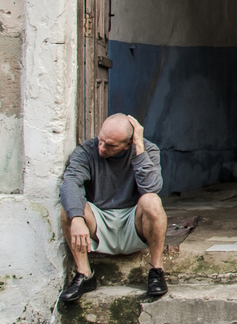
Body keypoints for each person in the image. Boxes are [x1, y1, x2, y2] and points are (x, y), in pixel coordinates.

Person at [57, 113, 169, 304]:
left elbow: (151, 188)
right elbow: (70, 183)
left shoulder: (148, 150)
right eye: (101, 140)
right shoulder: (86, 151)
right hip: (99, 220)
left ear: (127, 143)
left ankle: (156, 270)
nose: (102, 148)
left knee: (152, 201)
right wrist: (77, 218)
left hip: (132, 222)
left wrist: (139, 148)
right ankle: (85, 274)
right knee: (69, 208)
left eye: (111, 145)